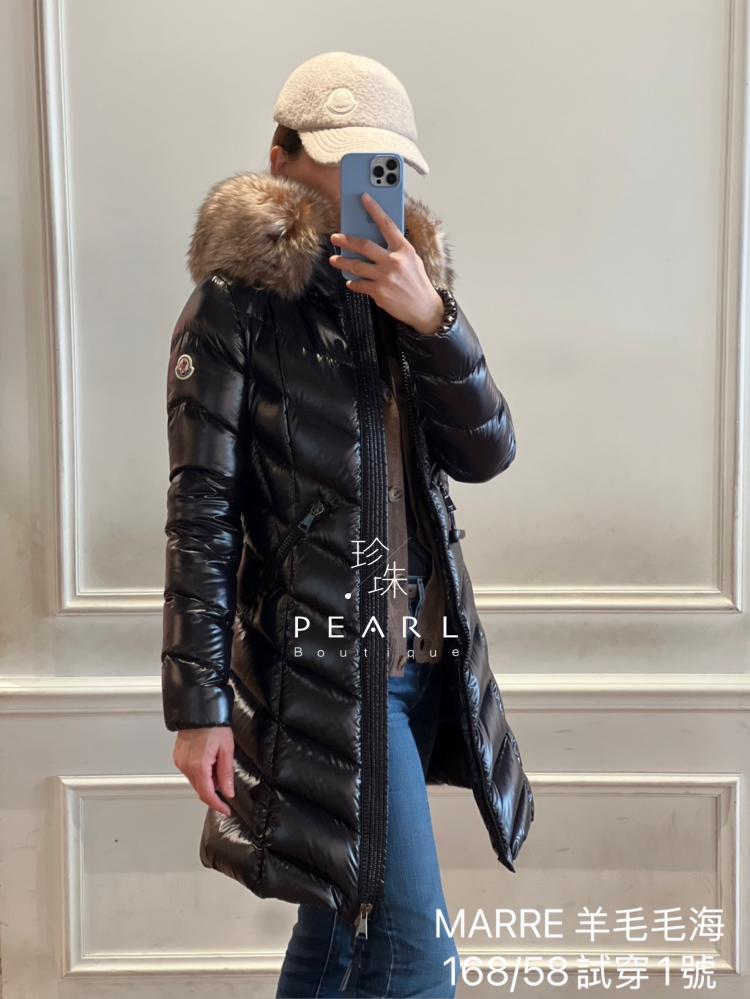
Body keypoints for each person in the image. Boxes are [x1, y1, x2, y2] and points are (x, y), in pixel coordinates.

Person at [161, 50, 534, 998]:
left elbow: (487, 452)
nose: (364, 183)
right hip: (320, 674)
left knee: (338, 934)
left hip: (417, 662)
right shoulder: (235, 310)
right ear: (281, 160)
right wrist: (199, 708)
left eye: (383, 162)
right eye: (343, 158)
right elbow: (201, 515)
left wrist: (433, 318)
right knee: (413, 958)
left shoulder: (408, 294)